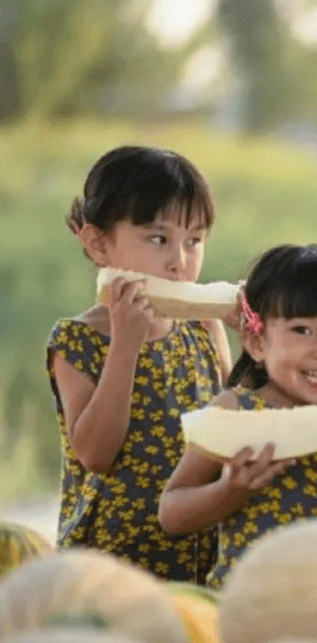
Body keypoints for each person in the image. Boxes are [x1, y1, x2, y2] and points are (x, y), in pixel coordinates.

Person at [46, 145, 231, 583]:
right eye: (158, 239)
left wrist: (261, 347)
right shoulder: (77, 341)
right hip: (114, 564)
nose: (180, 262)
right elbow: (95, 453)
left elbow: (233, 421)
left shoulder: (203, 327)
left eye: (195, 241)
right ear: (98, 243)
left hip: (199, 555)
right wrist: (125, 346)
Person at [159, 243, 317, 589]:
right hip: (252, 608)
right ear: (257, 342)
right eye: (302, 330)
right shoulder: (237, 411)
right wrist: (229, 491)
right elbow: (171, 512)